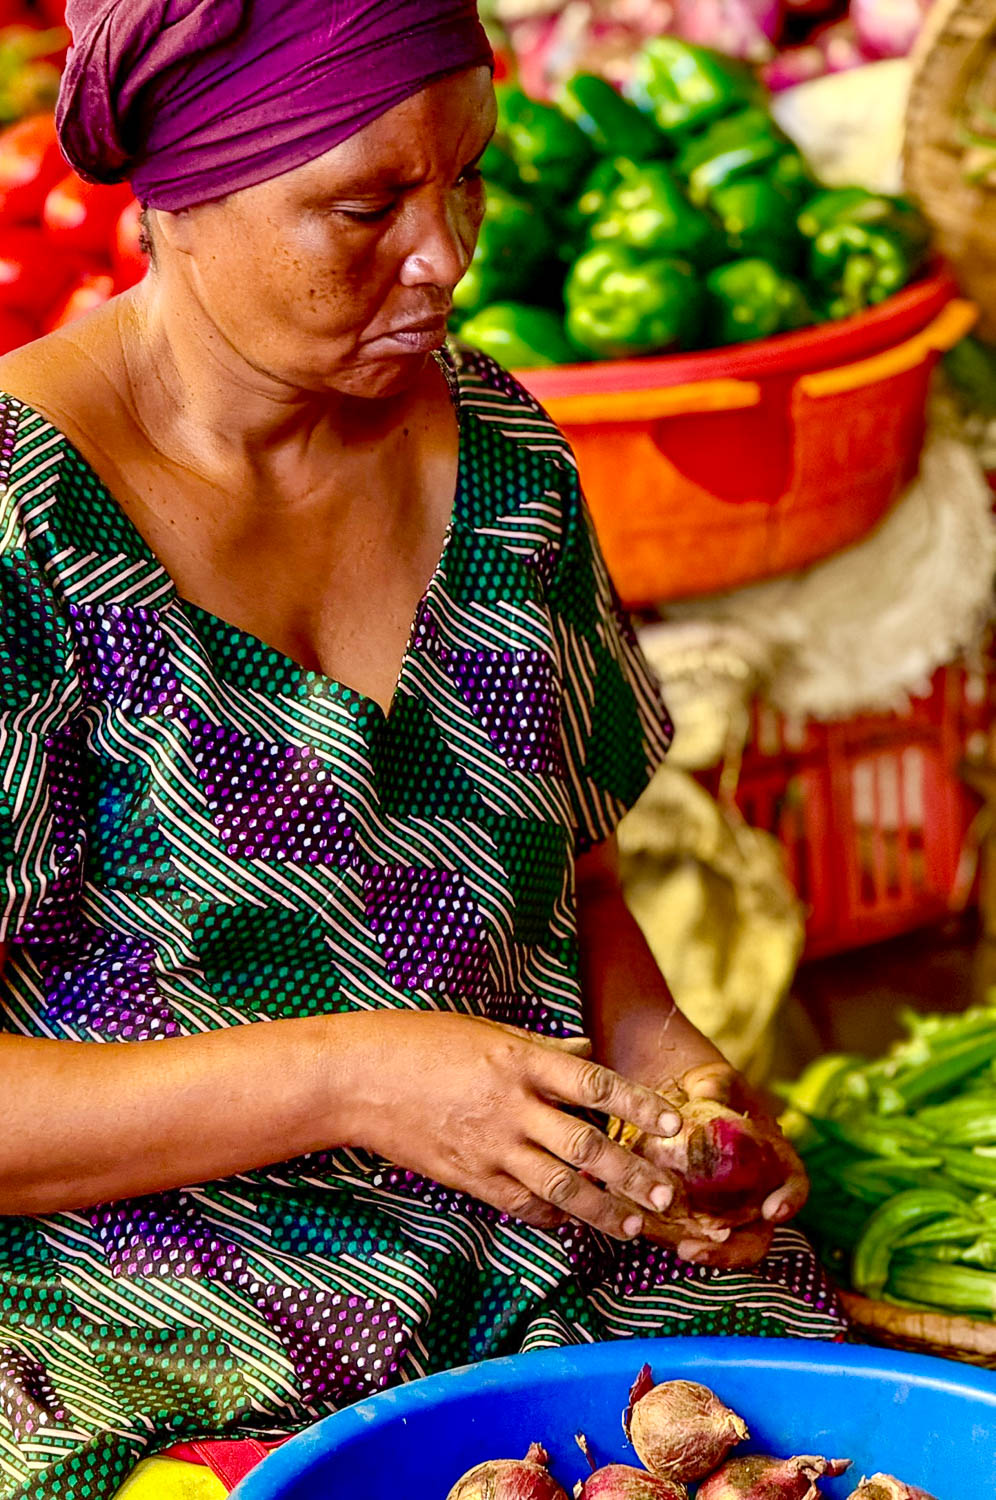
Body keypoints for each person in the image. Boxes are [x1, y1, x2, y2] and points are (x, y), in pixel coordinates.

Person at [0, 2, 846, 1496]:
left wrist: (663, 1065)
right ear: (181, 202)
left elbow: (564, 878)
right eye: (367, 204)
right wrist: (350, 1081)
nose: (446, 255)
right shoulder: (27, 530)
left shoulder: (506, 458)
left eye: (468, 178)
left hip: (549, 1277)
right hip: (143, 1341)